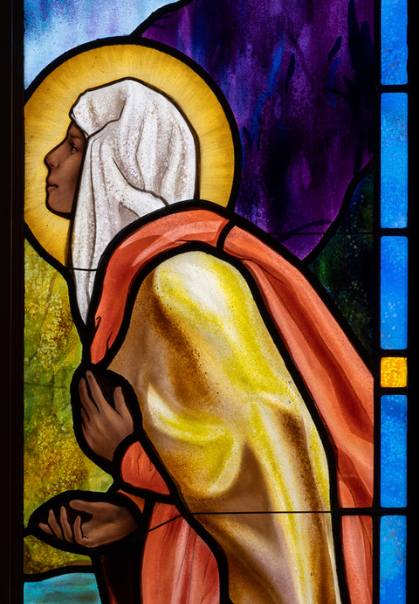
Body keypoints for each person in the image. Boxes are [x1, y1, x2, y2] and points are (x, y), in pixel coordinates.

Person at [33, 79, 374, 604]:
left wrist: (127, 458)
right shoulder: (147, 283)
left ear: (116, 170)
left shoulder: (185, 284)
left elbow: (267, 485)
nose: (51, 160)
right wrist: (129, 515)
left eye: (76, 146)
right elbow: (202, 462)